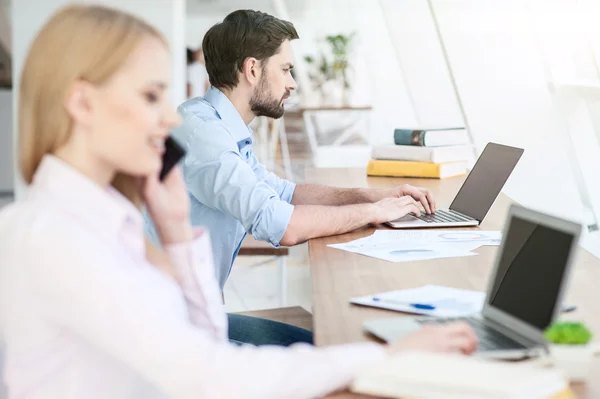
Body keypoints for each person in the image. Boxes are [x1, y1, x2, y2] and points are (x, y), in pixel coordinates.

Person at [0, 5, 478, 399]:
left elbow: (199, 336)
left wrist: (179, 233)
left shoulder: (102, 214)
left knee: (339, 355)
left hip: (189, 362)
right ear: (83, 105)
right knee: (357, 367)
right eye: (150, 96)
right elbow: (206, 373)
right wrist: (387, 355)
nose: (169, 119)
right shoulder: (56, 239)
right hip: (195, 376)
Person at [153, 9, 438, 346]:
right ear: (252, 69)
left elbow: (285, 193)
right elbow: (281, 224)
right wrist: (374, 214)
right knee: (331, 351)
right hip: (171, 330)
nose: (291, 83)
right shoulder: (204, 134)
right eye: (286, 70)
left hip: (190, 316)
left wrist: (375, 197)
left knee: (326, 344)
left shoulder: (217, 126)